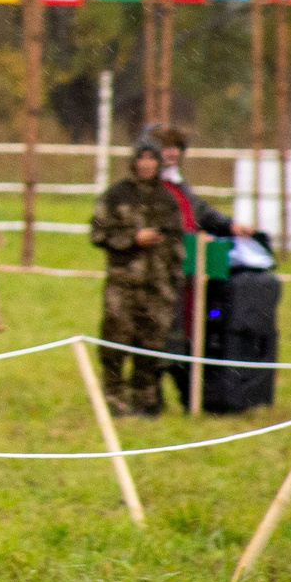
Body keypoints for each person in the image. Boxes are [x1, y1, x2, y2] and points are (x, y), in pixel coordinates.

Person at [150, 124, 253, 403]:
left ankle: (192, 394)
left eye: (176, 147)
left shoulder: (177, 183)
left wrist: (230, 226)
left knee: (187, 330)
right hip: (158, 272)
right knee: (160, 333)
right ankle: (154, 394)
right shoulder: (148, 187)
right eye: (165, 146)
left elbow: (200, 211)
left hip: (187, 268)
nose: (171, 152)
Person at [89, 137, 187, 415]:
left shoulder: (167, 199)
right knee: (115, 341)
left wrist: (173, 276)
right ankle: (114, 399)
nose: (146, 164)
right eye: (141, 158)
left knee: (152, 343)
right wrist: (133, 238)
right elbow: (98, 234)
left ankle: (145, 400)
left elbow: (177, 241)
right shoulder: (116, 195)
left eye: (151, 159)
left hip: (158, 286)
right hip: (123, 282)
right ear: (133, 162)